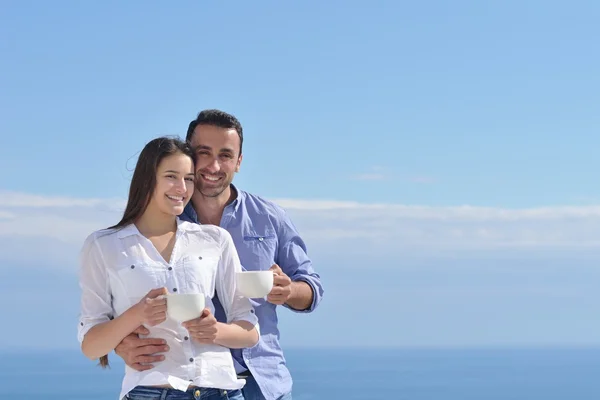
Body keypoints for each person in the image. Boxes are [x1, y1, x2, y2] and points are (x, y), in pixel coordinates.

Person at [114, 110, 324, 400]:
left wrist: (289, 291)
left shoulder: (269, 217)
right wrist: (120, 342)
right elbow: (120, 299)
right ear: (189, 155)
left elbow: (312, 289)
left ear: (238, 162)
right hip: (194, 385)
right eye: (204, 152)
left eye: (225, 155)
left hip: (264, 382)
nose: (214, 165)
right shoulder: (159, 223)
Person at [77, 136, 260, 400]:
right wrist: (137, 314)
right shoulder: (103, 246)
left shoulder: (215, 240)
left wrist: (215, 330)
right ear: (147, 179)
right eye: (171, 176)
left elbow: (250, 330)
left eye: (188, 178)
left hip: (222, 391)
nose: (182, 187)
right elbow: (91, 346)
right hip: (151, 392)